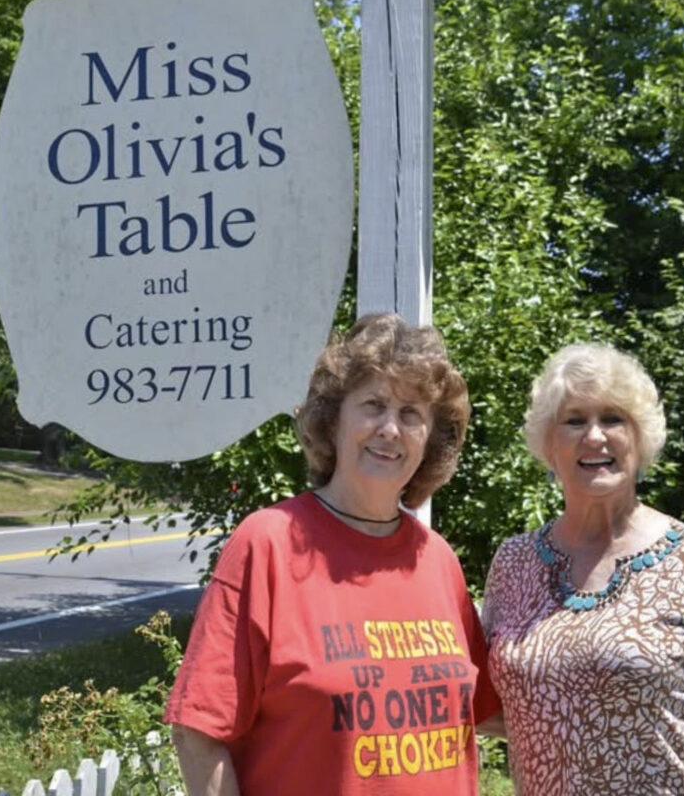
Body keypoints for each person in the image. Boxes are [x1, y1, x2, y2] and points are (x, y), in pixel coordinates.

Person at [165, 312, 500, 796]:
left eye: (411, 414)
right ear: (333, 420)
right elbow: (197, 732)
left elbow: (486, 711)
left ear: (430, 439)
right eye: (373, 405)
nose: (390, 428)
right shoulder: (269, 544)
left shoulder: (438, 560)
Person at [482, 342, 684, 795]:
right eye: (574, 420)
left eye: (613, 419)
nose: (594, 436)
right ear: (549, 445)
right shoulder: (514, 562)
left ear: (640, 440)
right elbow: (485, 704)